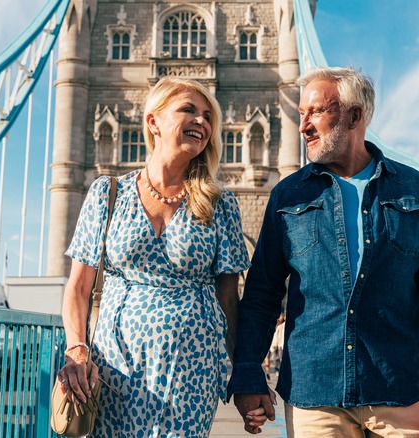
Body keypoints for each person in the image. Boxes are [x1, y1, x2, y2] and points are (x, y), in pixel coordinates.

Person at [227, 67, 419, 437]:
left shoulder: (415, 190)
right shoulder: (288, 196)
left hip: (398, 390)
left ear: (354, 116)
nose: (304, 126)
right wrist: (248, 371)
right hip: (314, 394)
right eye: (302, 114)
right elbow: (262, 294)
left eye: (317, 112)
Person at [57, 77, 253, 436]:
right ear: (153, 122)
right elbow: (78, 288)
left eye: (208, 116)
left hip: (193, 368)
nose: (202, 122)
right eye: (188, 110)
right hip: (115, 367)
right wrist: (77, 349)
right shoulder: (106, 193)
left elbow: (229, 298)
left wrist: (245, 373)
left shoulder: (221, 204)